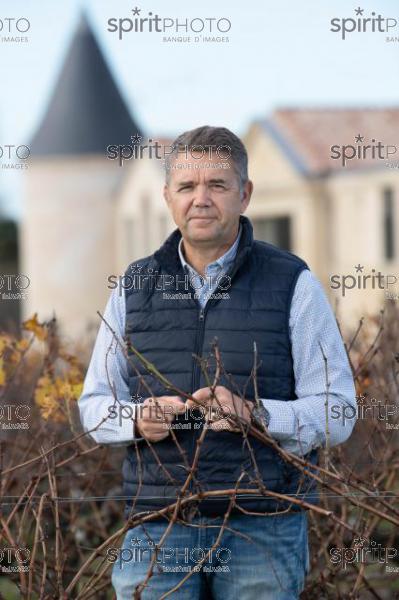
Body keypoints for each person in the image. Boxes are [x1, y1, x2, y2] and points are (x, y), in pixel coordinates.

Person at [79, 125, 356, 599]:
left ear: (245, 194)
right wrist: (136, 419)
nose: (200, 199)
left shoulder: (293, 284)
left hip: (262, 526)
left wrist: (259, 415)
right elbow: (94, 406)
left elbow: (340, 411)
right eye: (187, 186)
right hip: (158, 526)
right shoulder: (133, 286)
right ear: (167, 196)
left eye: (217, 185)